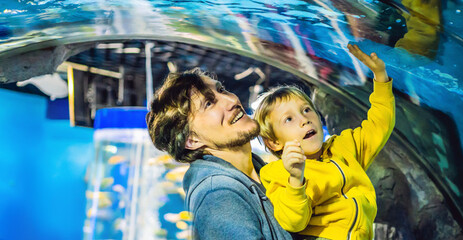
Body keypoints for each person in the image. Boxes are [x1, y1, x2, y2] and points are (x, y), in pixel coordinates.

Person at [253, 43, 395, 240]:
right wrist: (295, 180)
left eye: (306, 110)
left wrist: (380, 77)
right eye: (289, 119)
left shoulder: (344, 146)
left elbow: (380, 124)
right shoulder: (277, 173)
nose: (304, 119)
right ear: (274, 142)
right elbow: (293, 222)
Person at [146, 69, 292, 239]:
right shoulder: (217, 195)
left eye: (221, 89)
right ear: (192, 140)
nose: (232, 100)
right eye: (208, 103)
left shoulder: (260, 171)